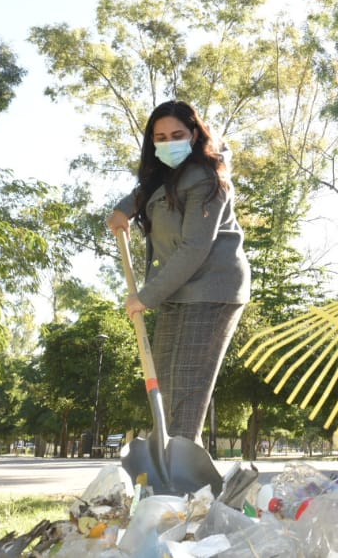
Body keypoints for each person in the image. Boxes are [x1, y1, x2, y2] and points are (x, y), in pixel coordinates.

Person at [107, 100, 250, 443]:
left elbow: (194, 249)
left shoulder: (206, 179)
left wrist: (145, 298)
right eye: (160, 137)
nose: (169, 142)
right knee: (165, 389)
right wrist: (123, 210)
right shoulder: (168, 175)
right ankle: (168, 477)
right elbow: (147, 192)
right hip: (176, 290)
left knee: (184, 393)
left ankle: (183, 487)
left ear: (195, 134)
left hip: (209, 291)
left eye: (177, 134)